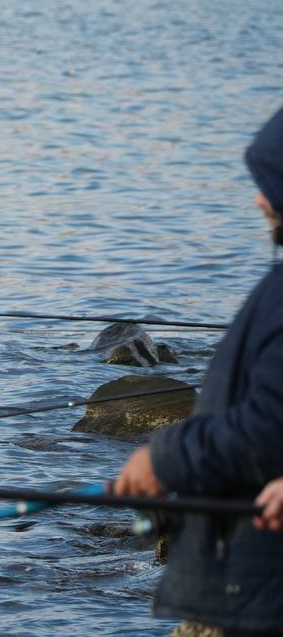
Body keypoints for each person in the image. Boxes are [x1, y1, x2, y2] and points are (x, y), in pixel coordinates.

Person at [114, 106, 283, 635]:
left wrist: (165, 457)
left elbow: (267, 426)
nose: (258, 200)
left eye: (270, 184)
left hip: (252, 596)